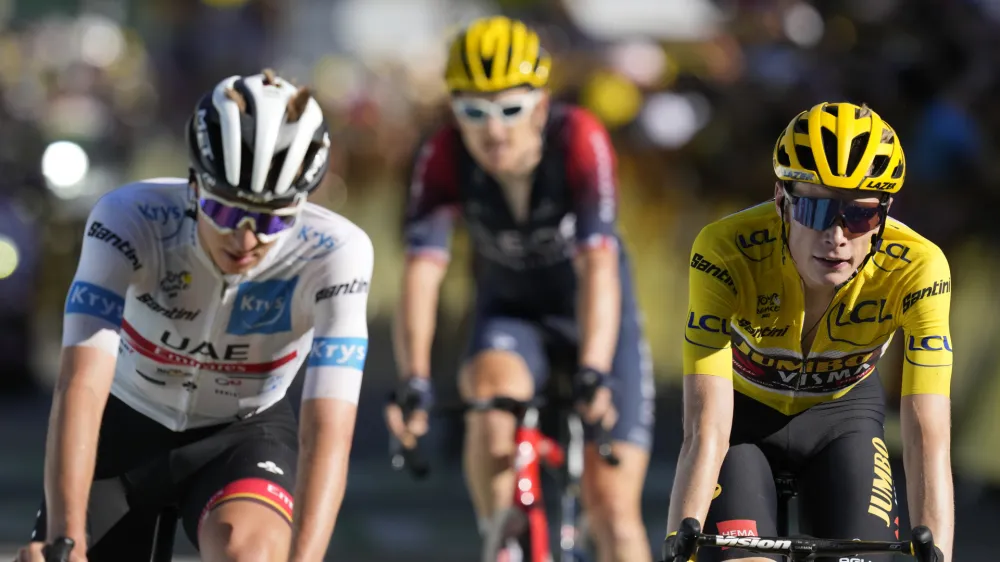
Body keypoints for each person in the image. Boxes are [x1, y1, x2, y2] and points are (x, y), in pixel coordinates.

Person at [16, 69, 373, 562]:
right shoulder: (129, 220)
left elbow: (328, 431)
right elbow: (81, 384)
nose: (245, 239)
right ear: (194, 185)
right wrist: (65, 538)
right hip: (122, 423)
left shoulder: (335, 255)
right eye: (224, 211)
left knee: (249, 554)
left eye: (271, 219)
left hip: (241, 435)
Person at [384, 15, 654, 562]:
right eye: (473, 113)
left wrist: (594, 369)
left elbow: (598, 267)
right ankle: (502, 541)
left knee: (613, 510)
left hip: (593, 314)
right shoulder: (442, 154)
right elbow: (421, 274)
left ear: (540, 104)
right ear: (453, 111)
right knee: (489, 401)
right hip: (512, 315)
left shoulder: (578, 138)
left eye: (509, 110)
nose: (493, 131)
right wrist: (413, 379)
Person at [661, 102, 952, 562]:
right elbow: (705, 428)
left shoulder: (918, 268)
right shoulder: (724, 251)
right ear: (781, 199)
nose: (837, 236)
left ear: (884, 214)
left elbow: (926, 436)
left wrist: (937, 549)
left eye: (859, 215)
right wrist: (682, 537)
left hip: (843, 419)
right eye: (816, 211)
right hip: (743, 421)